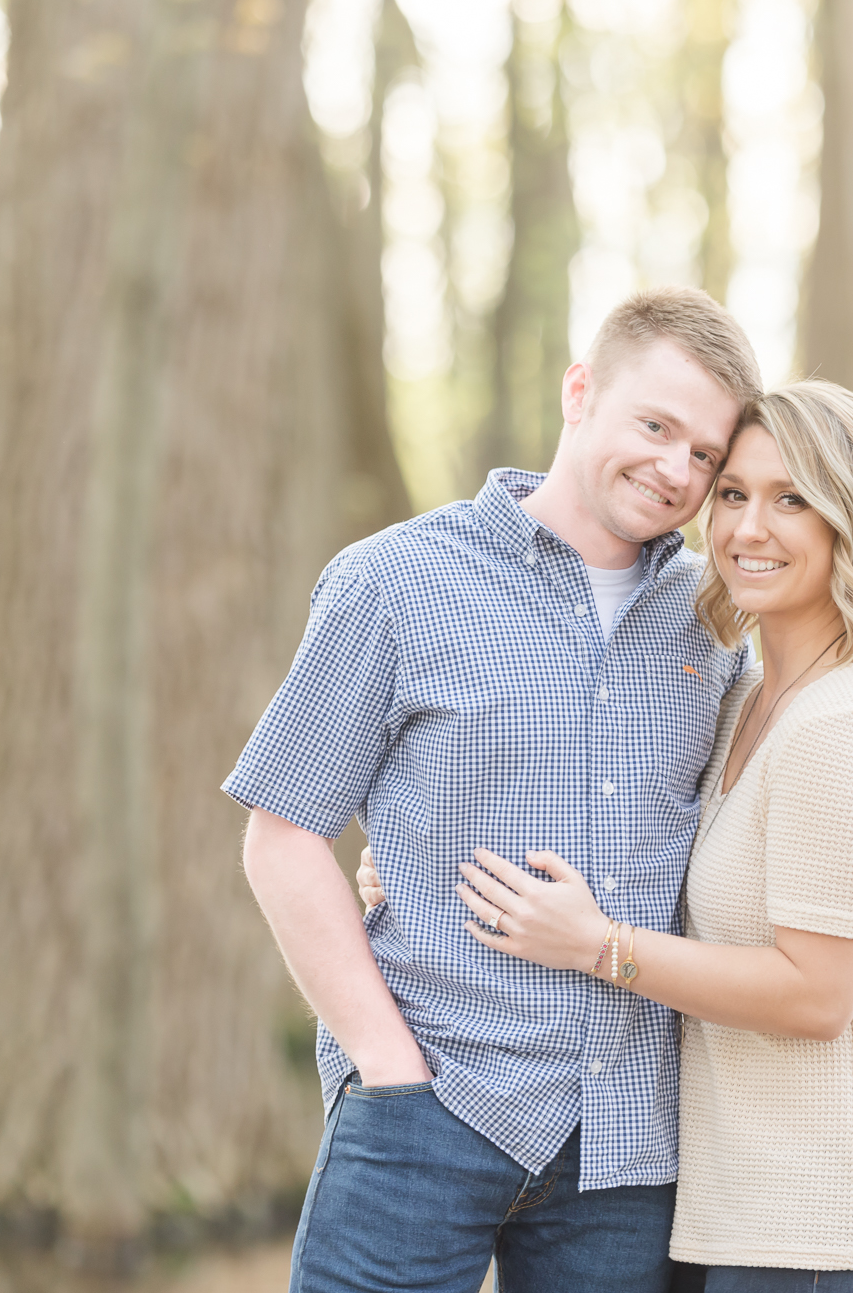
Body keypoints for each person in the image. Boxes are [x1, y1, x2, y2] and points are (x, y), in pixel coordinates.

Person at [225, 286, 763, 1293]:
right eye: (655, 426)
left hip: (628, 1148)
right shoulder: (393, 583)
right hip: (426, 1108)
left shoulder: (719, 622)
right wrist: (386, 1068)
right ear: (578, 391)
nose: (674, 470)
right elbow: (282, 833)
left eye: (704, 455)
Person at [380, 381, 853, 1293]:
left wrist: (599, 946)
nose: (748, 529)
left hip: (831, 1234)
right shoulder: (744, 700)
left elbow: (818, 996)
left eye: (792, 499)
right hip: (736, 1221)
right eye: (733, 494)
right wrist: (414, 861)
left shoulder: (850, 719)